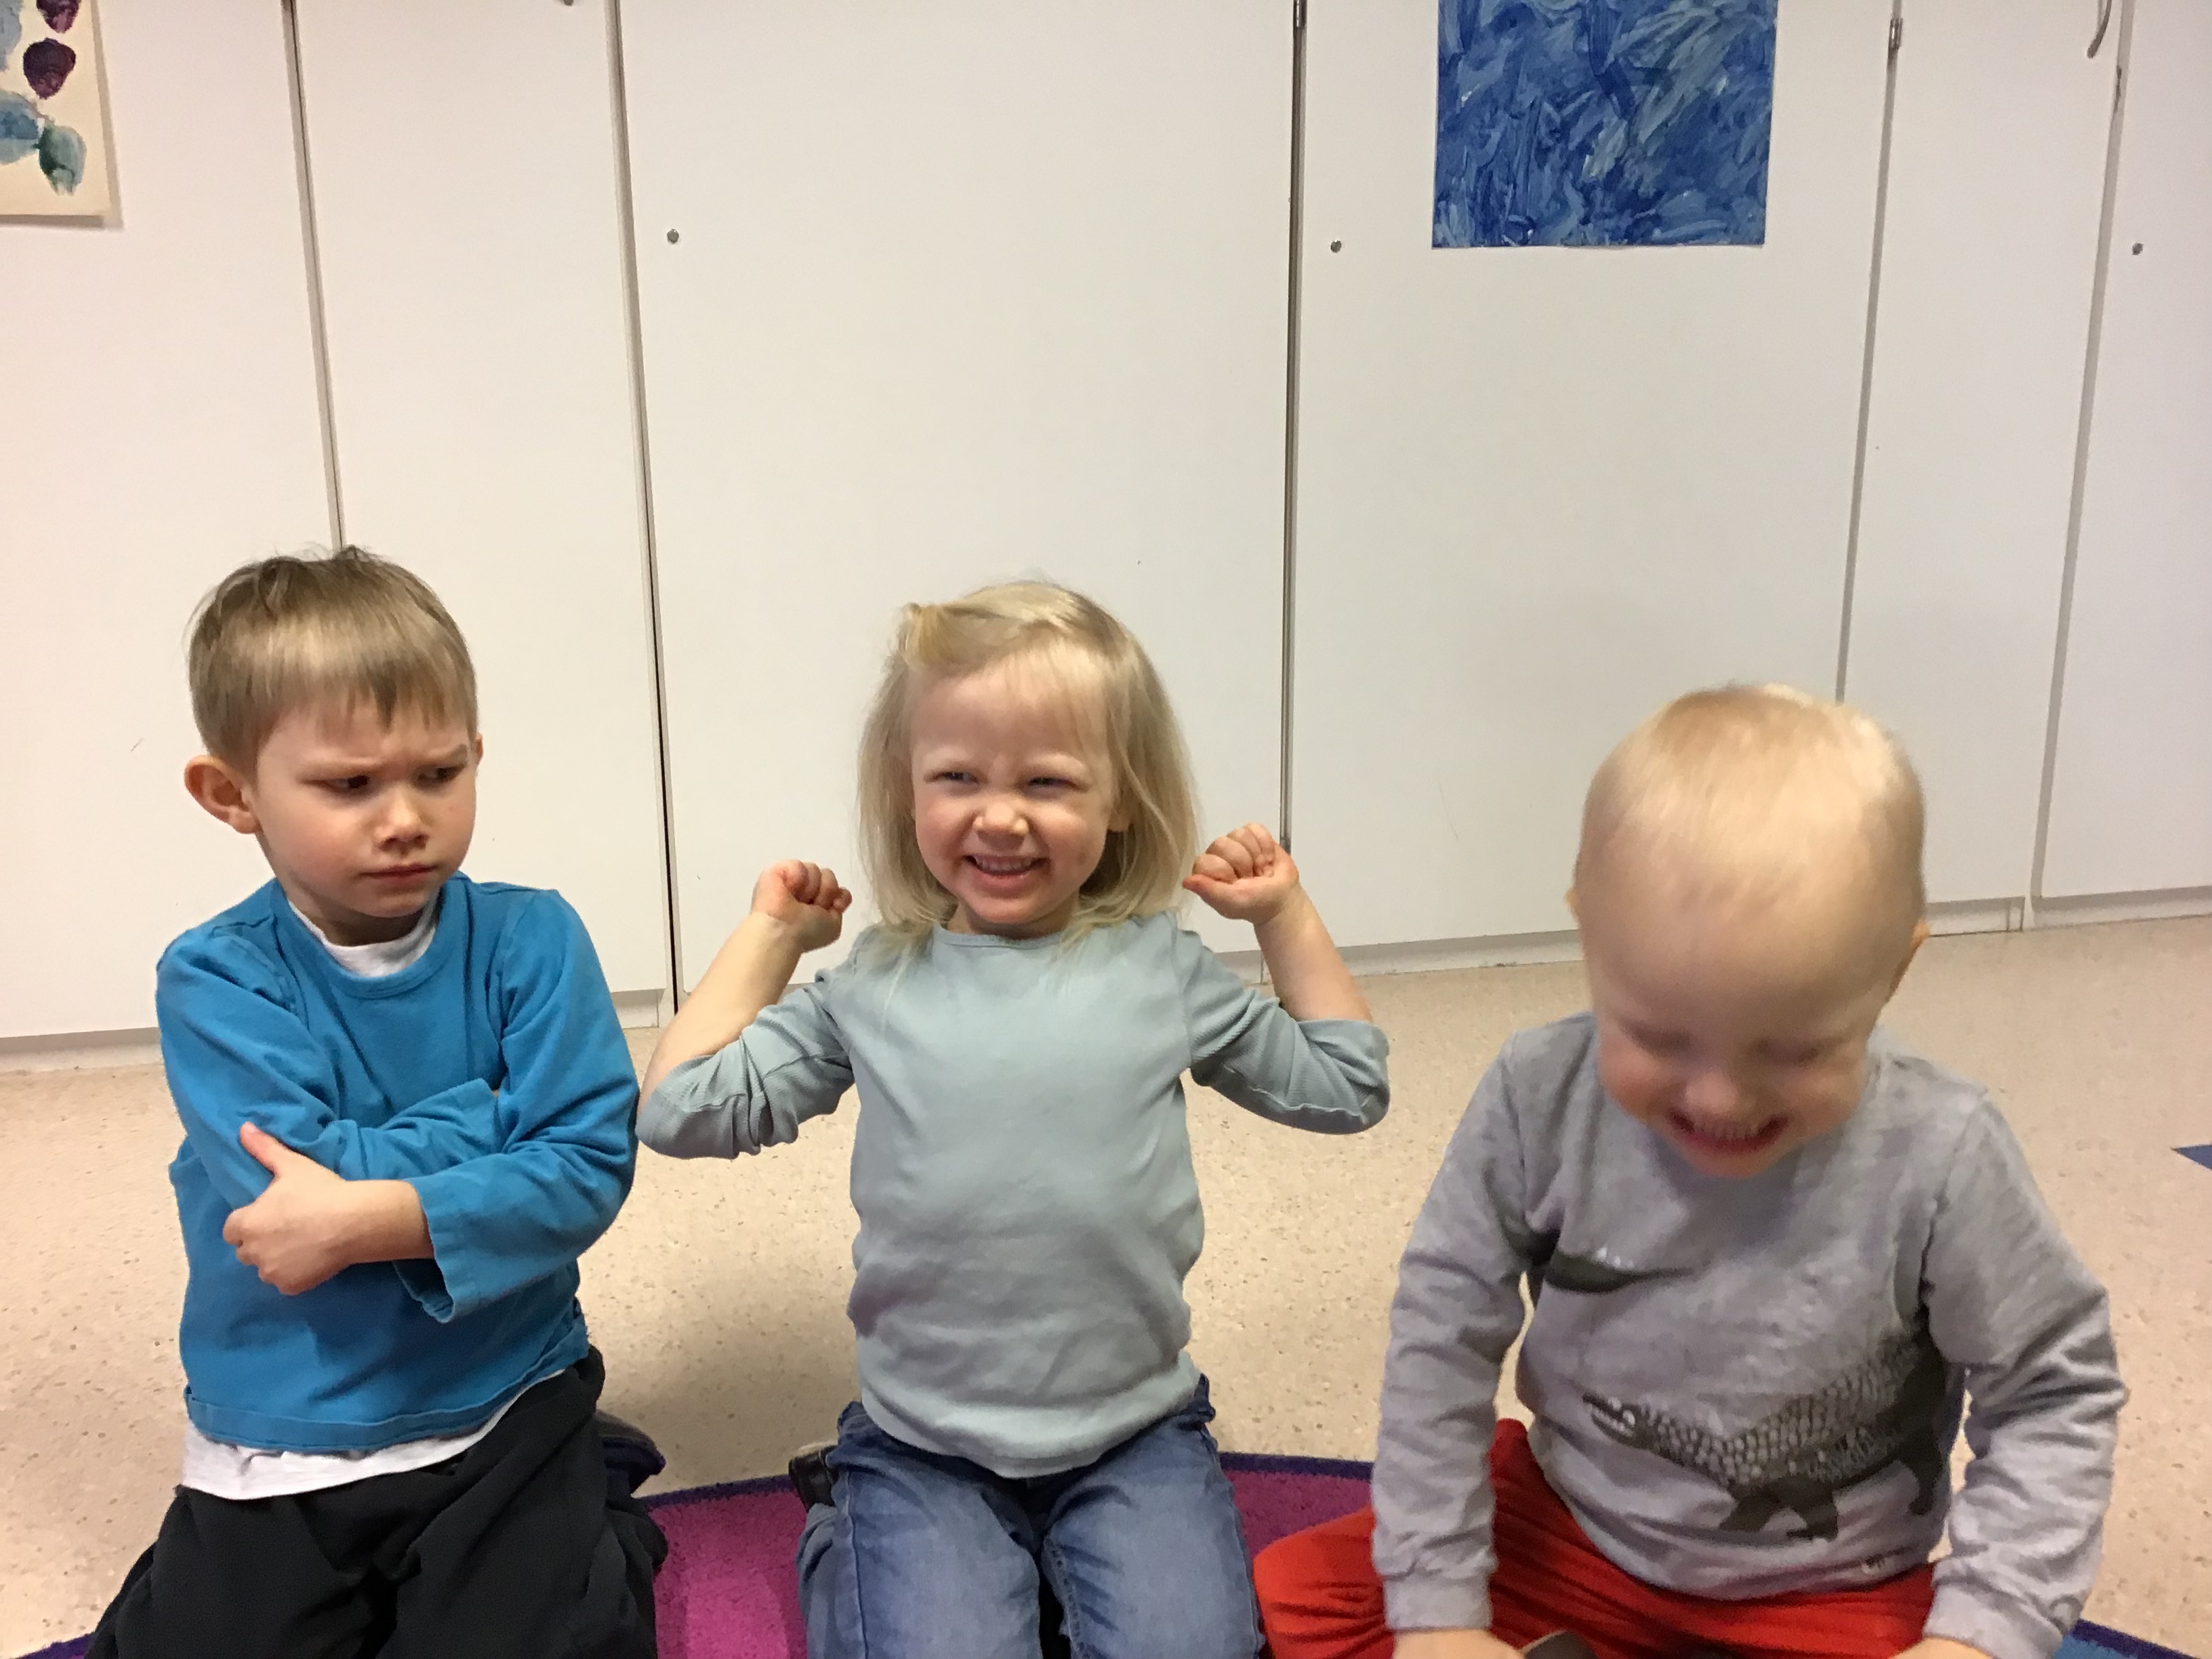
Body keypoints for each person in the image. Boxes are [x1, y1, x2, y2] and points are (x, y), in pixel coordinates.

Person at [1252, 686, 2125, 1659]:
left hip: (1829, 1591)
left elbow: (2053, 1391)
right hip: (1574, 1532)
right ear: (1589, 939)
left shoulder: (1944, 1149)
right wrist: (1440, 1615)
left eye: (1792, 1049)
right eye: (1661, 1038)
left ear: (1892, 972)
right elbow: (1440, 1334)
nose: (1721, 1099)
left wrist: (1981, 1636)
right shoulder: (1537, 1092)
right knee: (1303, 1592)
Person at [638, 580, 1391, 1659]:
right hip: (922, 1443)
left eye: (1047, 780)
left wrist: (1285, 917)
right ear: (906, 792)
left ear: (1121, 800)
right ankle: (843, 1528)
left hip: (1134, 1431)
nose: (999, 815)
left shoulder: (1161, 972)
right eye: (958, 777)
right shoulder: (876, 986)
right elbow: (678, 1110)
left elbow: (1348, 1086)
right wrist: (770, 940)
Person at [90, 548, 665, 1659]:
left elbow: (591, 1164)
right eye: (350, 786)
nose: (404, 818)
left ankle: (593, 1504)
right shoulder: (214, 978)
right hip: (287, 1425)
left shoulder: (533, 936)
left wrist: (368, 1217)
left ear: (476, 758)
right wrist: (501, 1117)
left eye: (439, 774)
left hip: (508, 1390)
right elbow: (291, 1186)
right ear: (232, 795)